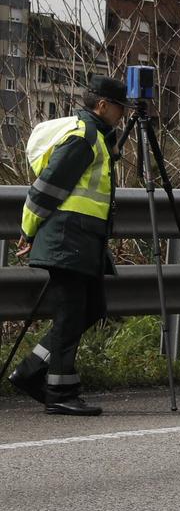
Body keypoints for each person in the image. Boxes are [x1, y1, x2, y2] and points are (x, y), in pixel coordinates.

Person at [10, 76, 125, 416]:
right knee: (72, 312)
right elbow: (46, 189)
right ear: (102, 105)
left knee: (90, 310)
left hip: (82, 239)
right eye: (120, 108)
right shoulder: (83, 138)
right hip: (67, 239)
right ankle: (60, 392)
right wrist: (28, 231)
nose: (123, 114)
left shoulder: (98, 137)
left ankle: (31, 371)